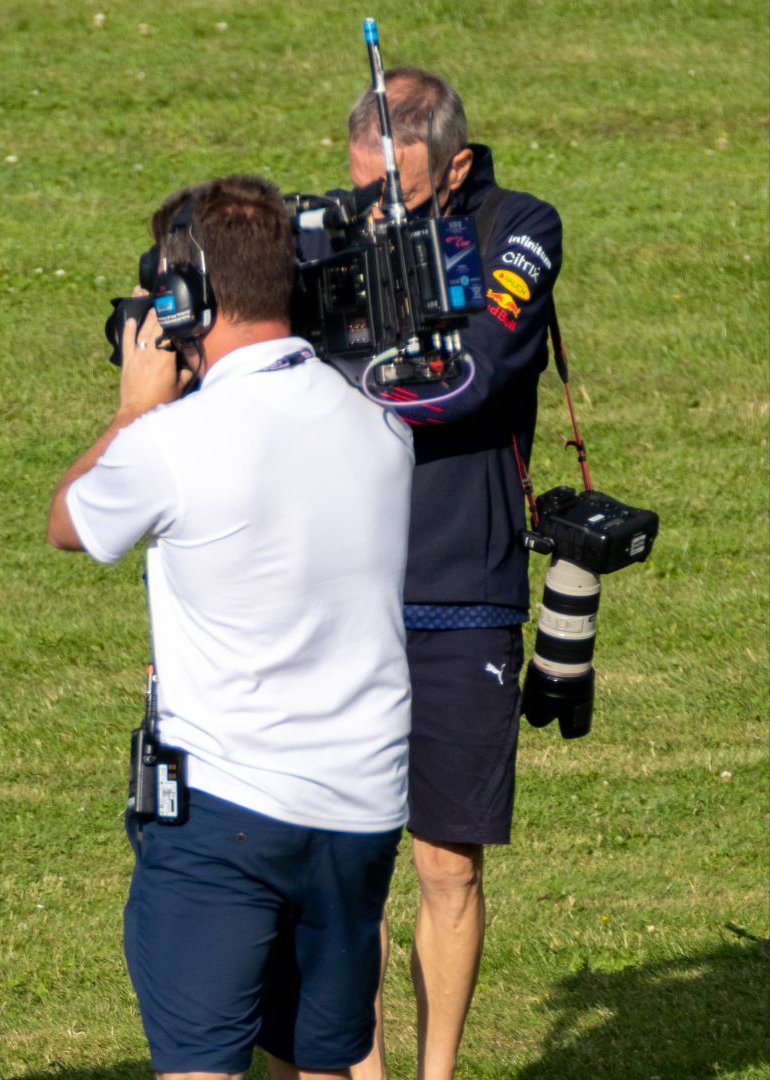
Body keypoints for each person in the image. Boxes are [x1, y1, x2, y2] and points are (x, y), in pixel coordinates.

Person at [47, 175, 415, 1080]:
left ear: (188, 298)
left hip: (226, 815)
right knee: (320, 1061)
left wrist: (136, 406)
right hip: (361, 807)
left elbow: (71, 521)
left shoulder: (174, 441)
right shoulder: (382, 424)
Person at [338, 68, 564, 1080]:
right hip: (339, 584)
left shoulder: (522, 225)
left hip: (464, 583)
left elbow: (475, 371)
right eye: (364, 188)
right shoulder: (337, 231)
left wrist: (350, 376)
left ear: (459, 164)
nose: (377, 211)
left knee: (445, 864)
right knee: (346, 865)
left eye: (402, 191)